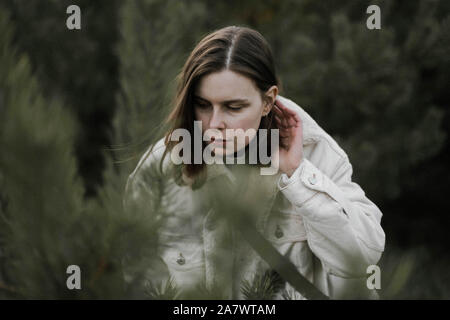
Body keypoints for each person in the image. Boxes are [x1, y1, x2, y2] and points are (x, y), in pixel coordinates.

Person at [123, 25, 385, 300]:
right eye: (202, 105)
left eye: (233, 107)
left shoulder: (317, 155)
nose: (214, 124)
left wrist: (296, 174)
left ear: (267, 101)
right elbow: (141, 279)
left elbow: (361, 260)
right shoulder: (161, 168)